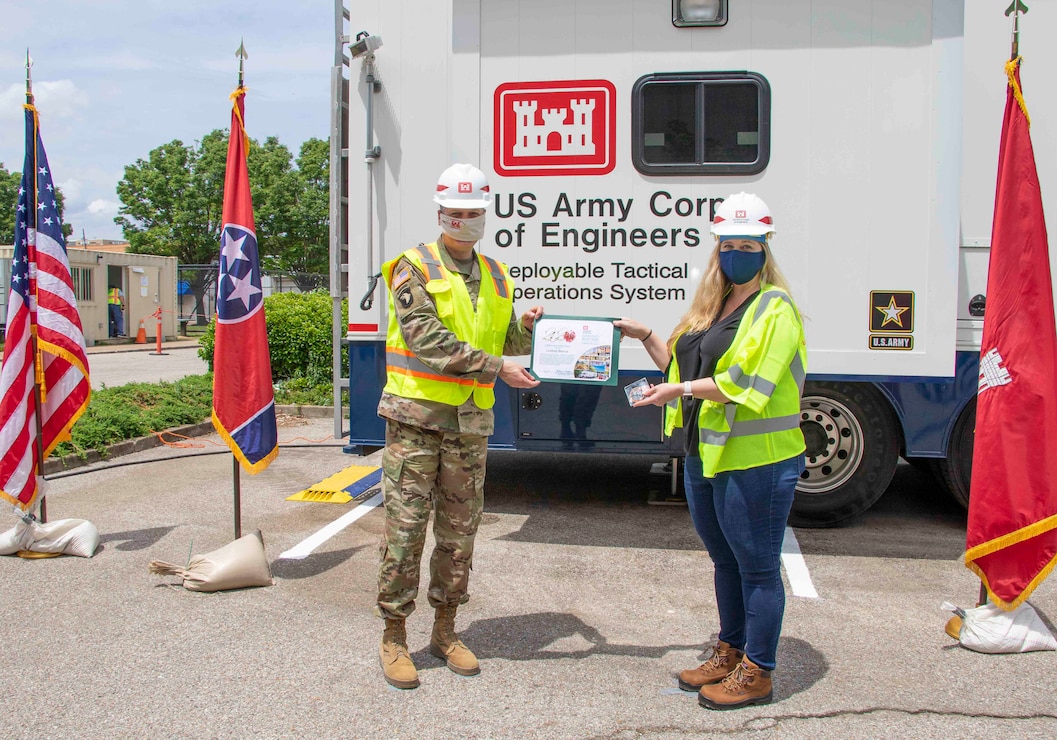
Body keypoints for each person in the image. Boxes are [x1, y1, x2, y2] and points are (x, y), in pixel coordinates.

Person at [615, 192, 806, 710]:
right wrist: (646, 335)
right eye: (729, 243)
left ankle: (759, 671)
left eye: (749, 244)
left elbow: (742, 384)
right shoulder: (713, 305)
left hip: (760, 460)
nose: (738, 252)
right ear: (717, 247)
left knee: (759, 567)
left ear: (766, 248)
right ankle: (730, 650)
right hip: (707, 455)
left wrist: (677, 392)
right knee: (725, 559)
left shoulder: (775, 308)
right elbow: (683, 372)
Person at [375, 163, 543, 690]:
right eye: (455, 213)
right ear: (440, 213)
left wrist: (525, 328)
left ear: (485, 215)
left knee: (458, 535)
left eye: (473, 214)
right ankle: (395, 635)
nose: (463, 221)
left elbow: (505, 344)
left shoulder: (497, 274)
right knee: (405, 532)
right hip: (416, 422)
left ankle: (445, 631)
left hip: (470, 427)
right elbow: (425, 337)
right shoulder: (412, 266)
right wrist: (499, 366)